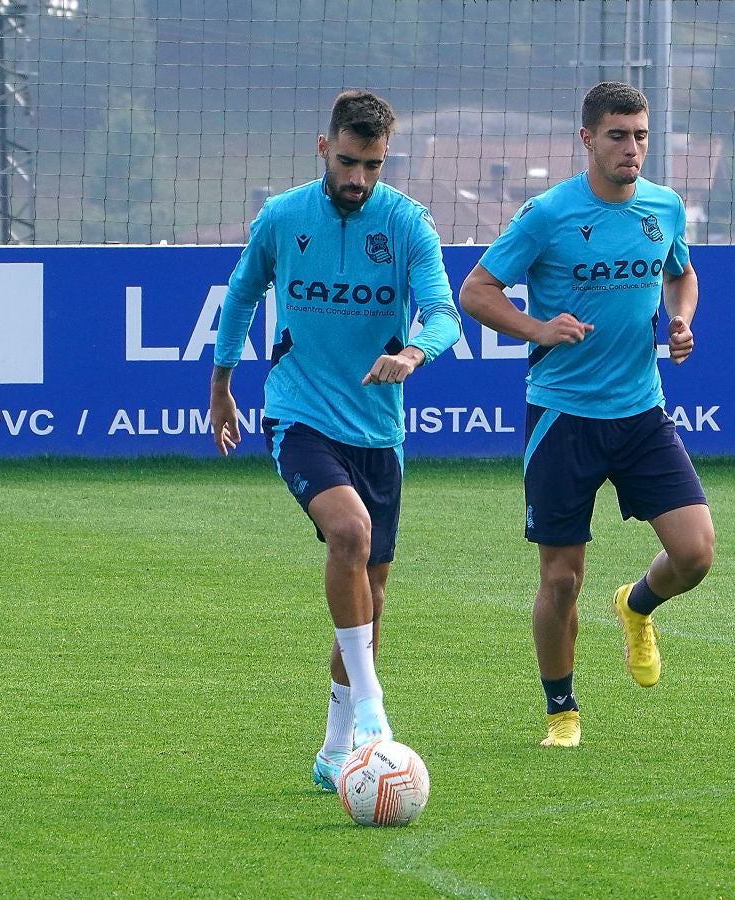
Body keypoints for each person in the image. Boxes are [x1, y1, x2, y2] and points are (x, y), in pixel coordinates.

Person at [209, 90, 461, 791]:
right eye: (348, 162)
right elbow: (242, 293)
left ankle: (332, 750)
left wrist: (413, 353)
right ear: (324, 147)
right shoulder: (283, 217)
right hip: (299, 414)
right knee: (348, 533)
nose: (358, 178)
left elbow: (443, 312)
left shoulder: (407, 223)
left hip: (378, 430)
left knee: (370, 591)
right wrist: (222, 384)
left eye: (372, 165)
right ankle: (374, 707)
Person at [458, 81, 714, 749]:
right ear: (587, 139)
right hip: (562, 416)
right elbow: (476, 291)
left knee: (695, 554)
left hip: (641, 413)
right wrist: (537, 328)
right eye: (617, 136)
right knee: (563, 578)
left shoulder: (664, 207)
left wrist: (681, 319)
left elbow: (680, 274)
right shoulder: (548, 214)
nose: (631, 148)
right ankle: (562, 712)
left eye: (640, 136)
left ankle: (636, 604)